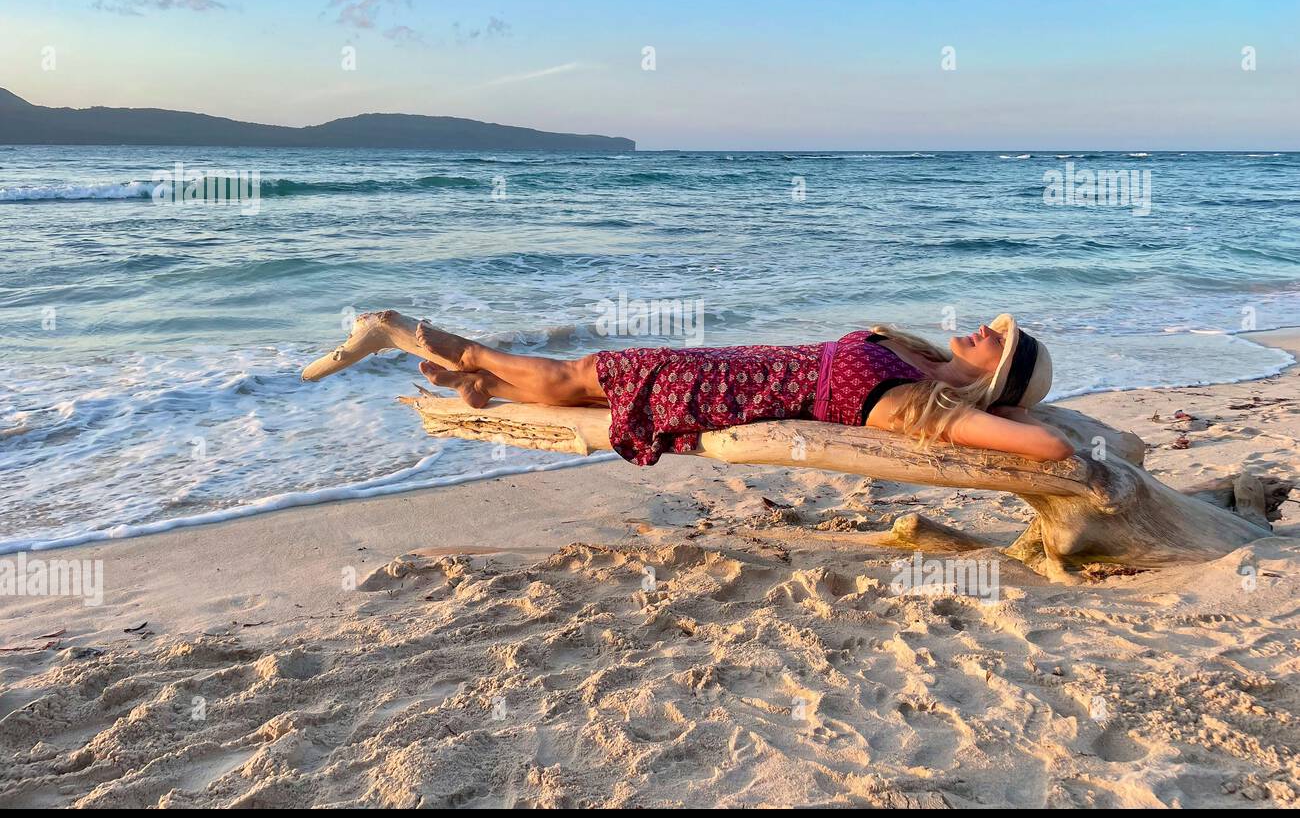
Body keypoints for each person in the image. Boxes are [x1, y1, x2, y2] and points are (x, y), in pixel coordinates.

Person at [304, 310, 1069, 466]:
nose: (980, 328)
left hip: (715, 393)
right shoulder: (907, 351)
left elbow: (1038, 441)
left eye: (994, 340)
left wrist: (1064, 441)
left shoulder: (910, 402)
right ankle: (479, 381)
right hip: (719, 365)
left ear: (995, 373)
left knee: (579, 377)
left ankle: (420, 335)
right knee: (589, 388)